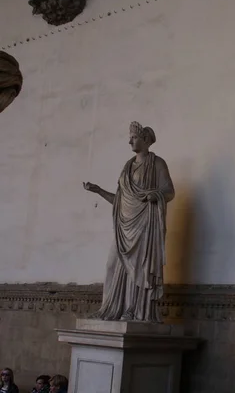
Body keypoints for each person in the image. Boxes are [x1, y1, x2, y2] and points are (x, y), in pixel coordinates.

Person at [83, 121, 175, 322]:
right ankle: (109, 308)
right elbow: (120, 201)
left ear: (145, 139)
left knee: (138, 269)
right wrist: (98, 190)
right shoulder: (126, 168)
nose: (129, 141)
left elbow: (169, 192)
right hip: (124, 227)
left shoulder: (157, 163)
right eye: (130, 137)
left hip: (144, 225)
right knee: (110, 265)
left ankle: (133, 310)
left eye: (133, 137)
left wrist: (155, 195)